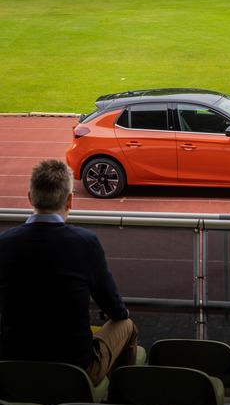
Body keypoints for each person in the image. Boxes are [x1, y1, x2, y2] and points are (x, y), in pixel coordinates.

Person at [0, 159, 139, 385]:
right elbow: (115, 308)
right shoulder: (84, 242)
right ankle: (122, 395)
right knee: (127, 326)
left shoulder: (4, 243)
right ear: (70, 200)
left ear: (30, 198)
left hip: (15, 364)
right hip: (75, 369)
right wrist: (118, 313)